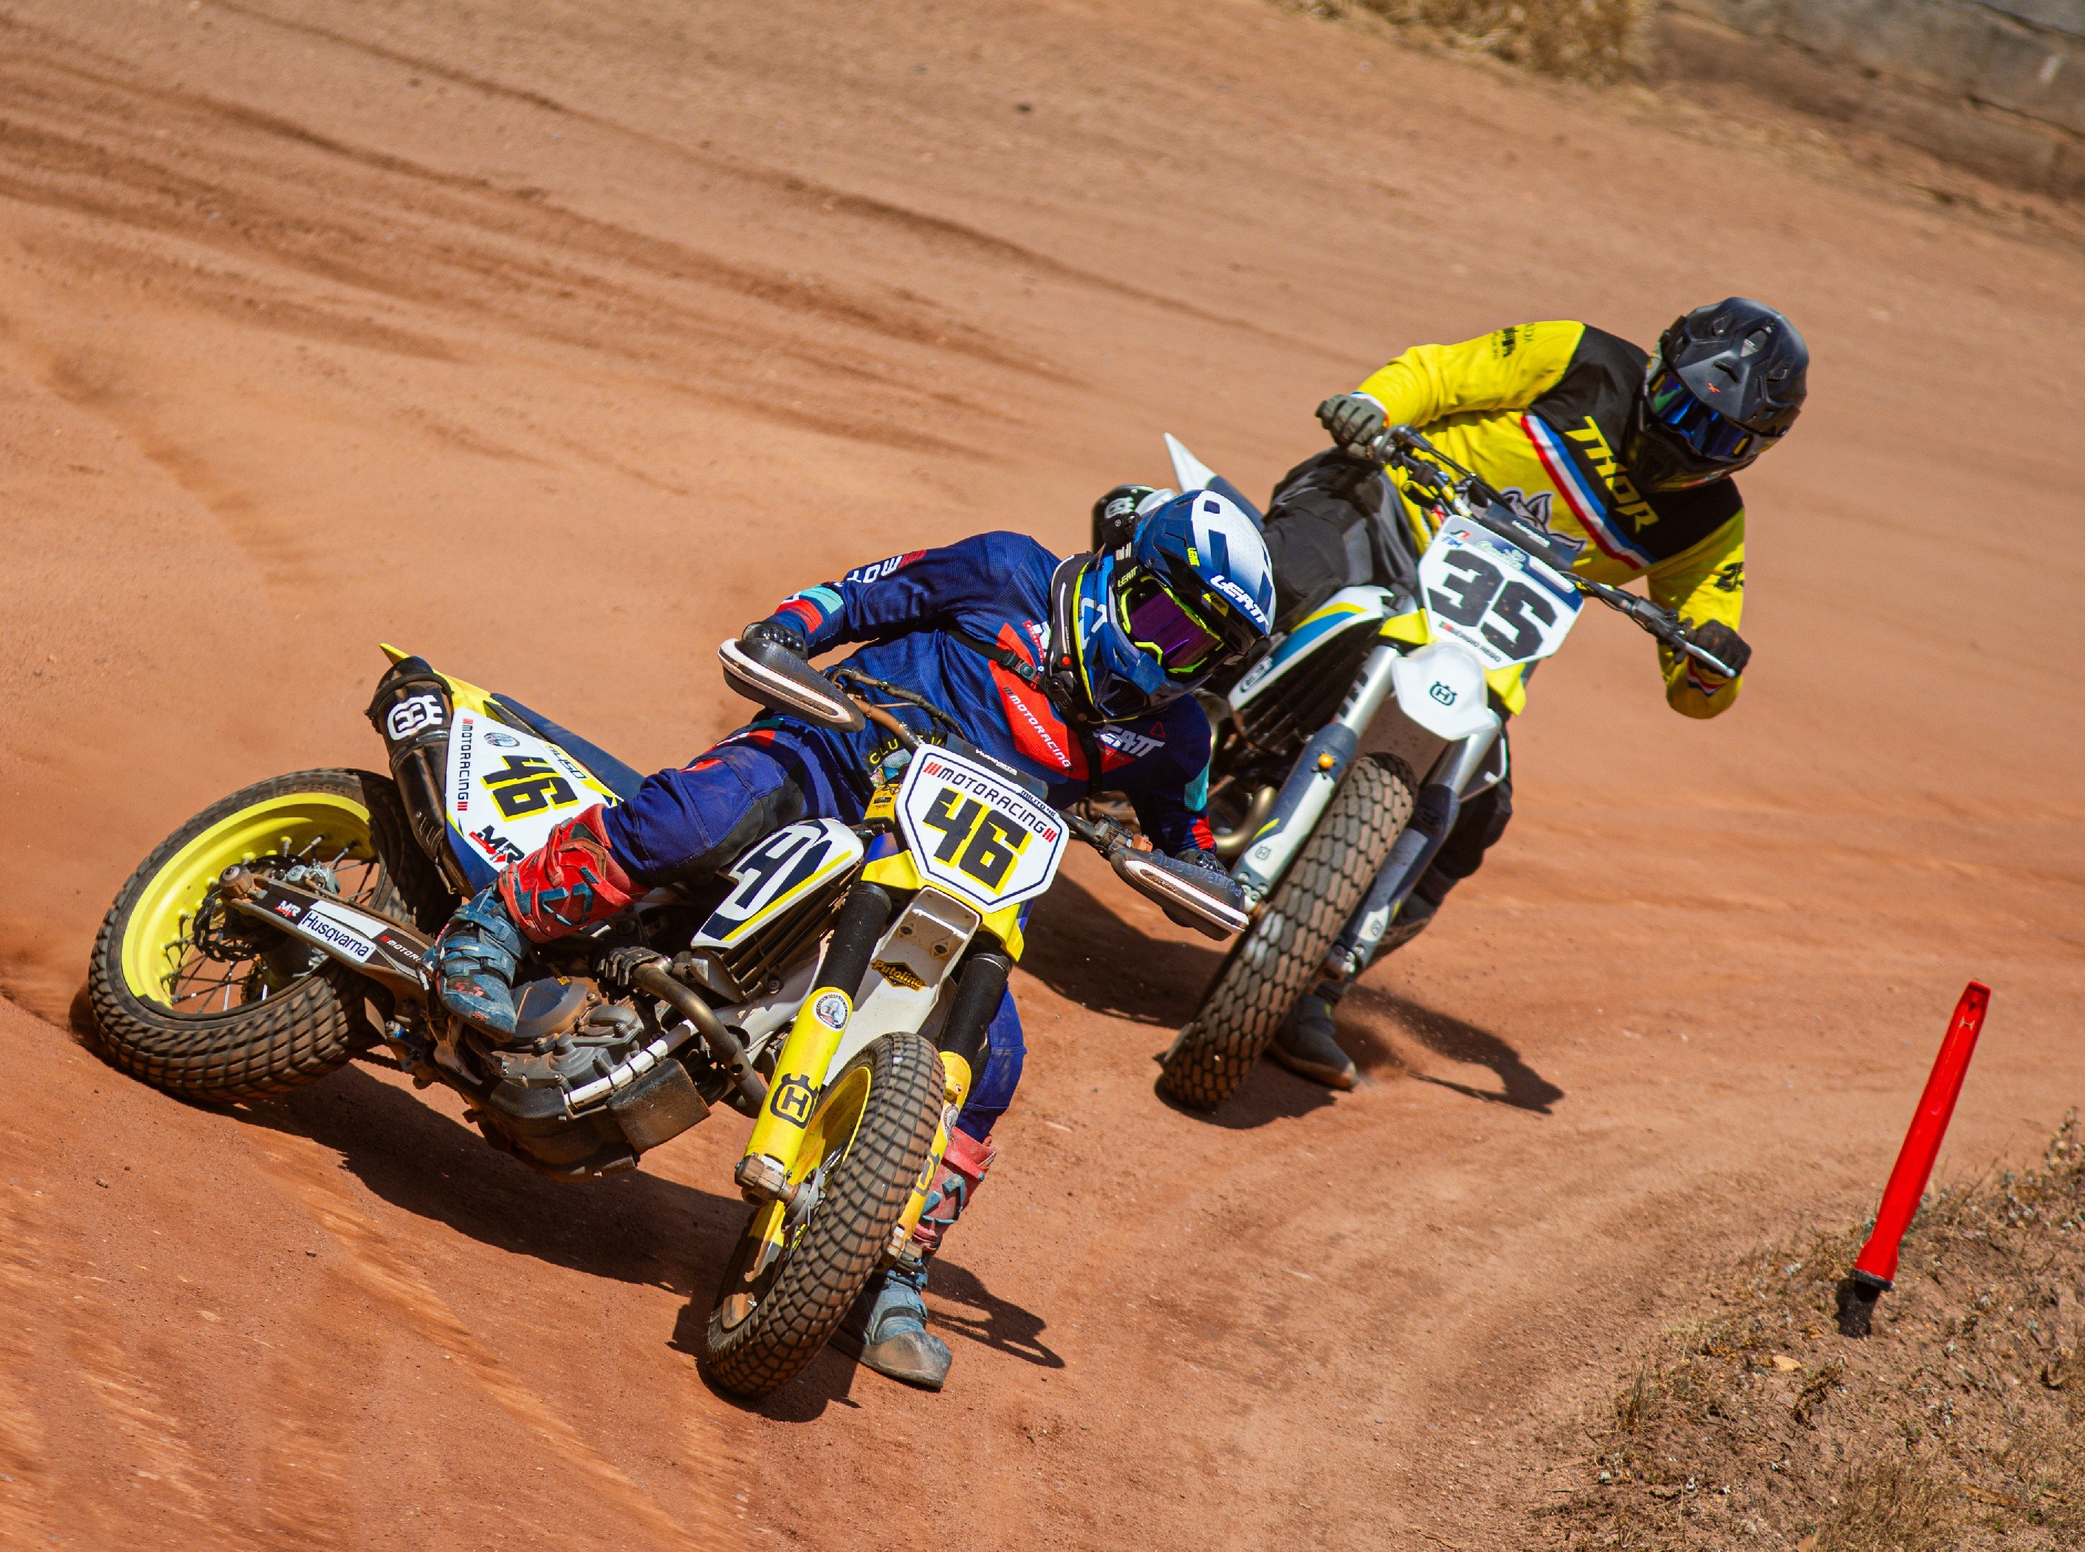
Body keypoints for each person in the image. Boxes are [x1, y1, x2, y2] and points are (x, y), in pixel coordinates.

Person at [428, 490, 1276, 1388]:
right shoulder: (1004, 569)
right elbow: (857, 597)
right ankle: (492, 927)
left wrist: (1218, 884)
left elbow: (1189, 840)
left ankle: (888, 1254)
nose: (1166, 657)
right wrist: (784, 634)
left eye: (1199, 650)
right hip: (836, 758)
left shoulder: (1173, 732)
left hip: (956, 878)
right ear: (1126, 572)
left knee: (994, 1065)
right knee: (694, 821)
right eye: (1163, 621)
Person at [1255, 299, 1807, 1090]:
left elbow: (1702, 662)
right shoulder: (1579, 356)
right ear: (1657, 366)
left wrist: (1712, 662)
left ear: (1755, 451)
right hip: (1381, 512)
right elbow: (1439, 374)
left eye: (1718, 435)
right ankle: (1121, 716)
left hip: (1479, 635)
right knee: (1277, 588)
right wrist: (1374, 404)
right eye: (1682, 405)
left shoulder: (1709, 523)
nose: (1688, 436)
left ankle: (1312, 983)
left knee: (1478, 813)